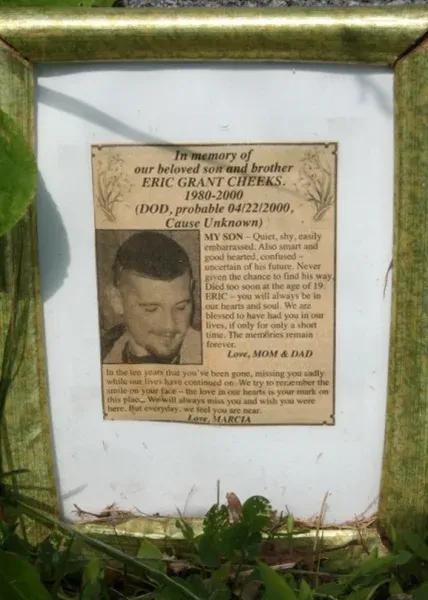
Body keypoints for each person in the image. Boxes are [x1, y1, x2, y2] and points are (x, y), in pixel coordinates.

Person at [102, 231, 202, 365]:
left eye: (181, 307)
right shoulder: (98, 356)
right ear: (117, 300)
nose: (169, 326)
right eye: (151, 309)